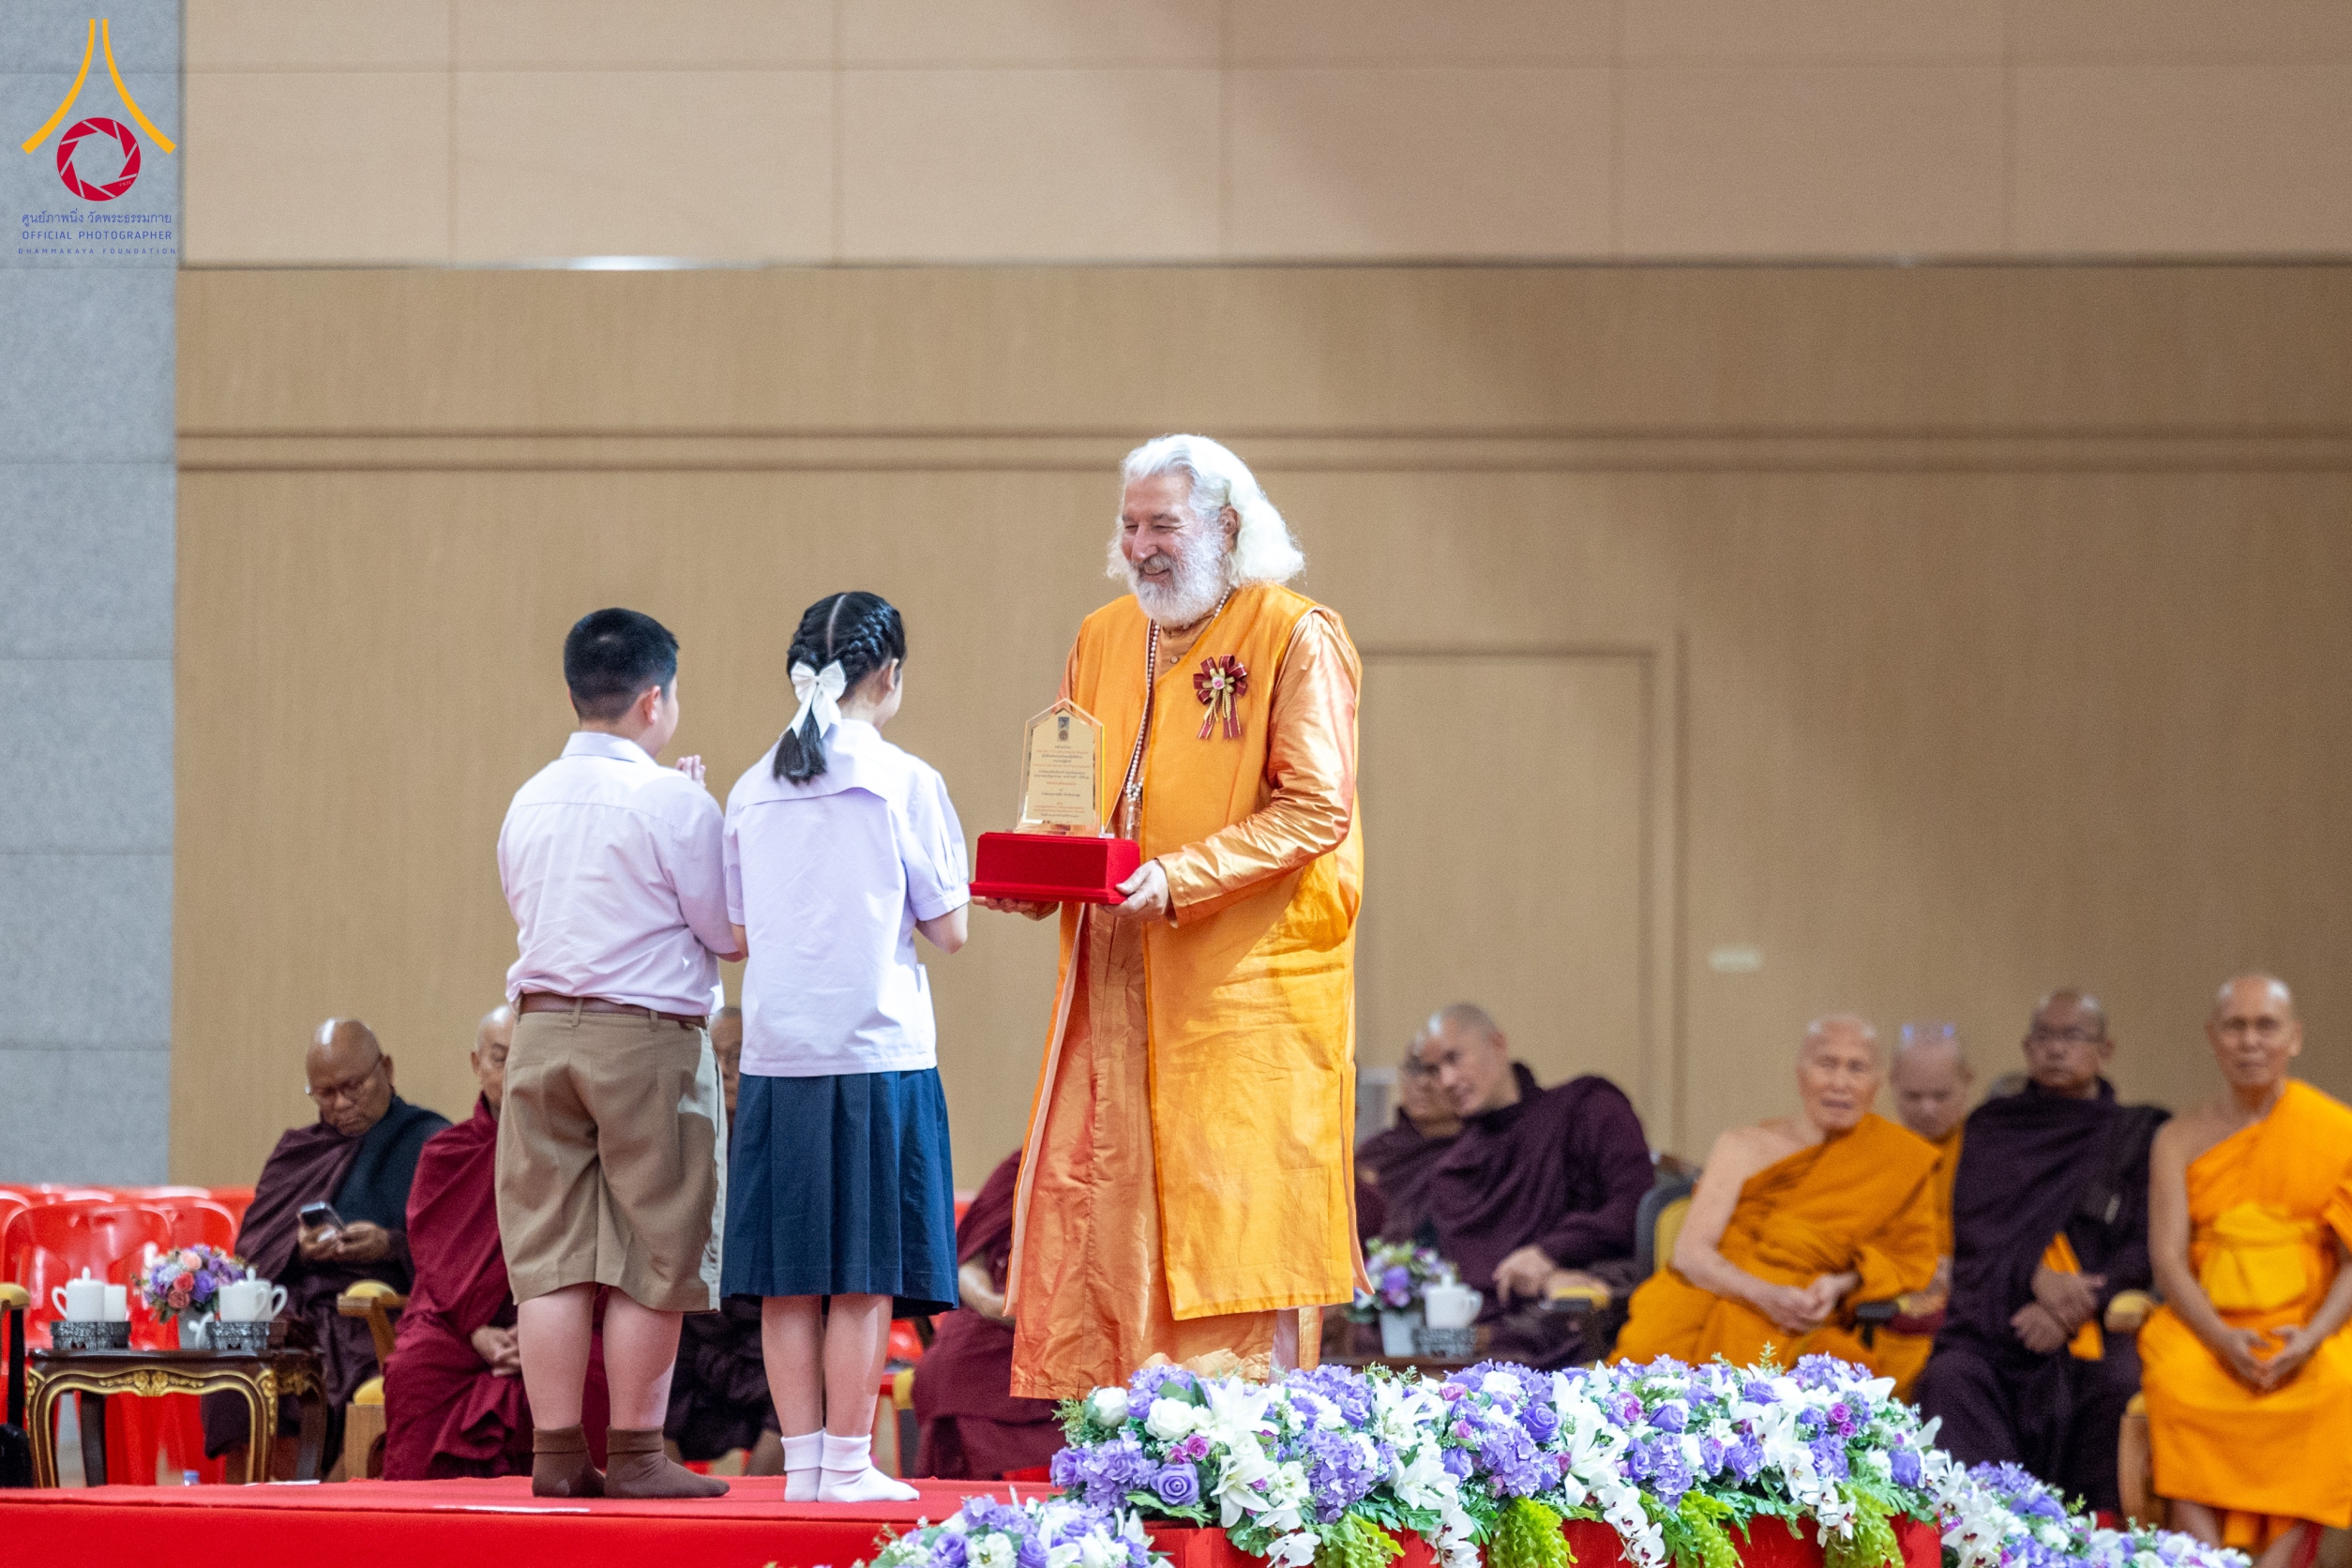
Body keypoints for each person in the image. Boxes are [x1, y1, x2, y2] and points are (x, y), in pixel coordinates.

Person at [981, 434, 1364, 1398]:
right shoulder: (1105, 633)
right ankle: (1120, 1434)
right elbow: (1069, 793)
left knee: (1228, 1212)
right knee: (1103, 1197)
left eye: (1164, 525)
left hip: (1240, 992)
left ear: (1227, 527)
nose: (1143, 546)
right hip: (1115, 977)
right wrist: (1035, 870)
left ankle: (1224, 1453)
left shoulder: (1294, 631)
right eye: (1131, 525)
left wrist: (1183, 876)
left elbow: (1318, 805)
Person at [721, 591, 969, 1503]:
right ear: (889, 674)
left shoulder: (751, 785)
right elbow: (949, 928)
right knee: (861, 1273)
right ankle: (852, 1463)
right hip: (877, 1053)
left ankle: (806, 1466)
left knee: (790, 1279)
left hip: (780, 1053)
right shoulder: (906, 780)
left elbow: (735, 933)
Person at [497, 607, 740, 1500]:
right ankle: (637, 1453)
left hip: (539, 1033)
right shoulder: (673, 799)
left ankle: (557, 1457)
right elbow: (723, 930)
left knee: (552, 1250)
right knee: (655, 1243)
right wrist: (695, 805)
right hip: (644, 1041)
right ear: (654, 699)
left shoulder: (529, 796)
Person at [1911, 989, 2165, 1515]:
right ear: (2027, 1048)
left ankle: (2090, 1539)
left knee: (2119, 1383)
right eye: (2044, 1037)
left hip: (2093, 1318)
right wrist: (2032, 1275)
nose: (2056, 1050)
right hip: (1997, 1317)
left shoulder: (2136, 1134)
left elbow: (2143, 1246)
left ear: (2106, 1049)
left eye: (2072, 1036)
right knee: (1949, 1378)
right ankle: (1984, 1531)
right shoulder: (1992, 1127)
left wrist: (2071, 1306)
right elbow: (1975, 1234)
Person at [2137, 977, 2352, 1567]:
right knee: (2178, 1383)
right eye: (2235, 1026)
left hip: (2308, 1322)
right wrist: (2221, 1339)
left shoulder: (2338, 1130)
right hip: (2207, 1323)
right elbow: (2168, 1261)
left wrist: (2310, 1339)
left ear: (2296, 1038)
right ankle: (2207, 1556)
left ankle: (2280, 1559)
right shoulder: (2176, 1139)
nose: (2250, 1042)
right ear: (2213, 1039)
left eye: (2267, 1026)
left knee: (2338, 1387)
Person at [1612, 1015, 1941, 1379]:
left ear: (1877, 1084)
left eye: (1857, 1068)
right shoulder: (1742, 1147)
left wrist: (1838, 1284)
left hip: (1803, 1317)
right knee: (1650, 1375)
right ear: (1801, 1075)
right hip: (1711, 1296)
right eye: (1826, 1064)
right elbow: (1691, 1255)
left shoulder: (1896, 1159)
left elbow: (1907, 1260)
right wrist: (1767, 1297)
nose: (1840, 1083)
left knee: (1849, 1377)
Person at [202, 1018, 449, 1469]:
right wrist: (297, 1249)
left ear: (387, 1070)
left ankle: (312, 1495)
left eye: (353, 1087)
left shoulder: (430, 1142)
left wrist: (391, 1246)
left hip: (375, 1314)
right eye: (325, 1094)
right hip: (297, 1307)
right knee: (239, 1363)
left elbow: (457, 1251)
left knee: (330, 1362)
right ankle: (251, 1507)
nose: (341, 1105)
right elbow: (251, 1253)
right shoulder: (300, 1151)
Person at [384, 1007, 613, 1479]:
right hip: (459, 1321)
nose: (513, 1073)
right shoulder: (446, 1154)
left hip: (564, 1317)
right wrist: (476, 1330)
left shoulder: (583, 1151)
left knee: (591, 1376)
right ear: (476, 1064)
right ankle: (424, 1530)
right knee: (415, 1368)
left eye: (527, 1059)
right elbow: (436, 1258)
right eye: (500, 1058)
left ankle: (576, 1530)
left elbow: (597, 1252)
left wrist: (540, 1333)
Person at [1412, 1004, 1651, 1366]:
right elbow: (1476, 1276)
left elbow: (1634, 1207)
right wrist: (1543, 1280)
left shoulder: (1588, 1109)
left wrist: (1549, 1254)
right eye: (1434, 1070)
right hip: (1494, 1330)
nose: (1446, 1080)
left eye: (1454, 1058)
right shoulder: (1454, 1172)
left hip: (1585, 1304)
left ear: (1498, 1043)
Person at [664, 1007, 785, 1476]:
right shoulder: (676, 1135)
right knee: (645, 1359)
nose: (729, 1069)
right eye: (717, 1056)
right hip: (695, 1316)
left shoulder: (784, 1136)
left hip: (766, 1318)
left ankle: (763, 1507)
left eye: (741, 1055)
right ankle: (668, 1516)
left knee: (805, 1365)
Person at [912, 1151, 1064, 1481]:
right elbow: (969, 1261)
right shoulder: (1029, 1162)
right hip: (1001, 1326)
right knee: (952, 1367)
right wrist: (989, 1303)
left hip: (1083, 1340)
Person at [1879, 1021, 1975, 1380]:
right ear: (1891, 1082)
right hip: (1887, 1318)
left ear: (1968, 1080)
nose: (1928, 1110)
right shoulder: (1872, 1152)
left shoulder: (1990, 1151)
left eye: (1941, 1095)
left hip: (1968, 1325)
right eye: (1913, 1097)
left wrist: (1962, 1268)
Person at [1357, 1041, 1464, 1244]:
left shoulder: (1474, 1154)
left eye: (1434, 1070)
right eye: (1414, 1069)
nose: (1423, 1083)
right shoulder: (1375, 1151)